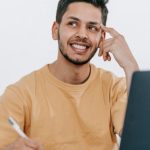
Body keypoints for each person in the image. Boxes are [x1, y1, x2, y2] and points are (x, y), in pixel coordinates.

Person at [0, 0, 139, 149]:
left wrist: (130, 66)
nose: (82, 34)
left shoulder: (115, 89)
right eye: (73, 24)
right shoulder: (19, 94)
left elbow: (140, 138)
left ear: (102, 37)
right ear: (55, 30)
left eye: (92, 28)